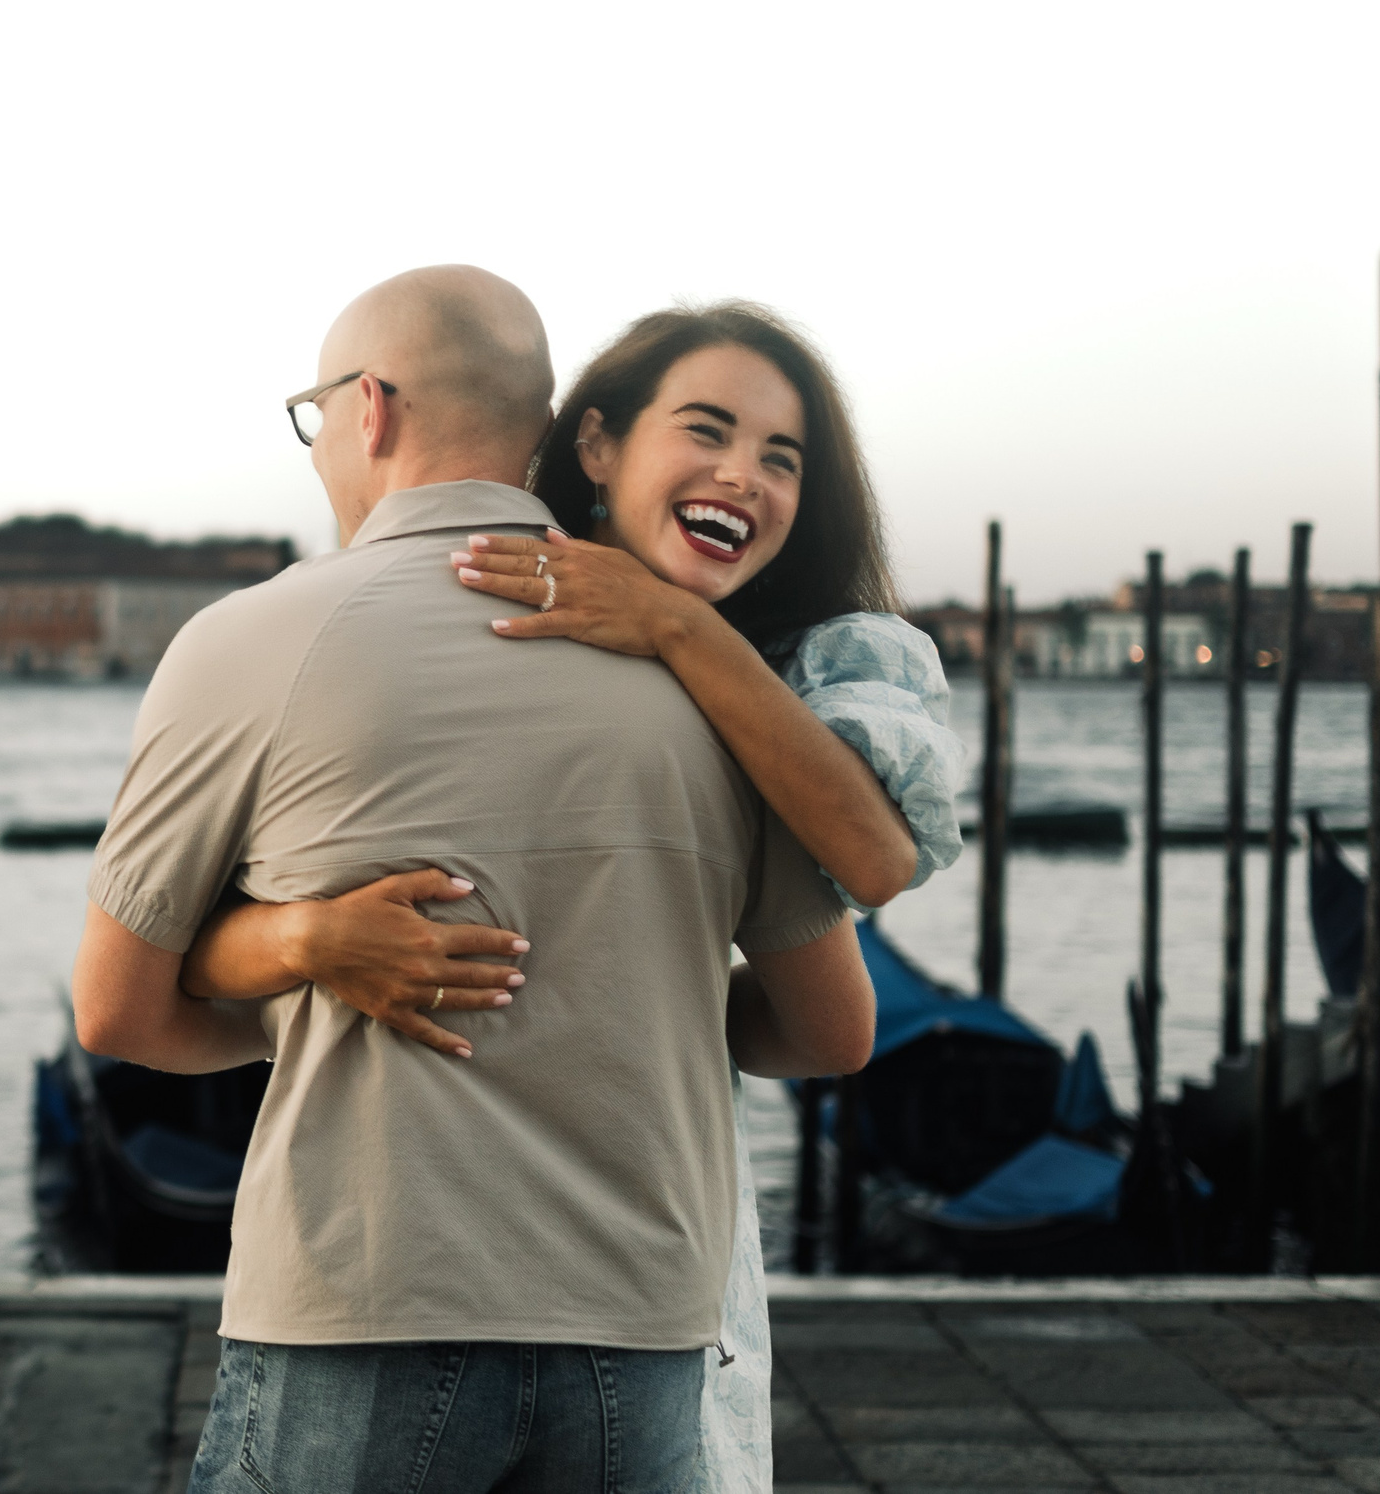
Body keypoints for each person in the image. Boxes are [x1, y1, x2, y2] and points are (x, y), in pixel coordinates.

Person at [70, 267, 875, 1494]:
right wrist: (618, 999)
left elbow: (116, 1011)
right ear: (550, 430)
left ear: (370, 408)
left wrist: (298, 973)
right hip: (643, 1332)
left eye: (313, 417)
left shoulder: (249, 641)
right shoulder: (716, 680)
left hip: (361, 1308)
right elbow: (828, 1032)